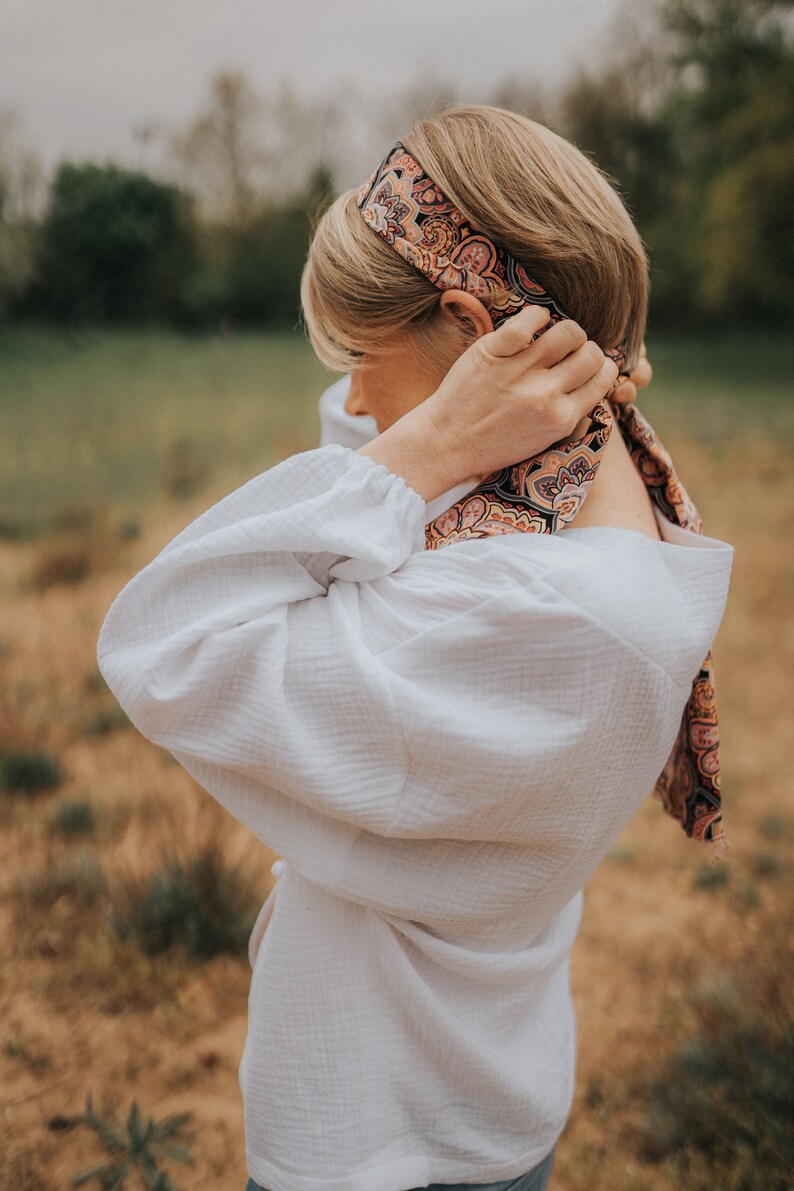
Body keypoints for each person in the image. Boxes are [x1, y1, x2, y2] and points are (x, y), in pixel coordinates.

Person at [97, 106, 733, 1191]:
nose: (349, 401)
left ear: (466, 328)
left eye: (357, 358)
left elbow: (163, 644)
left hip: (376, 1133)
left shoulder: (524, 616)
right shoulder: (568, 502)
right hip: (484, 1087)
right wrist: (453, 406)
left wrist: (434, 433)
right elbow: (363, 451)